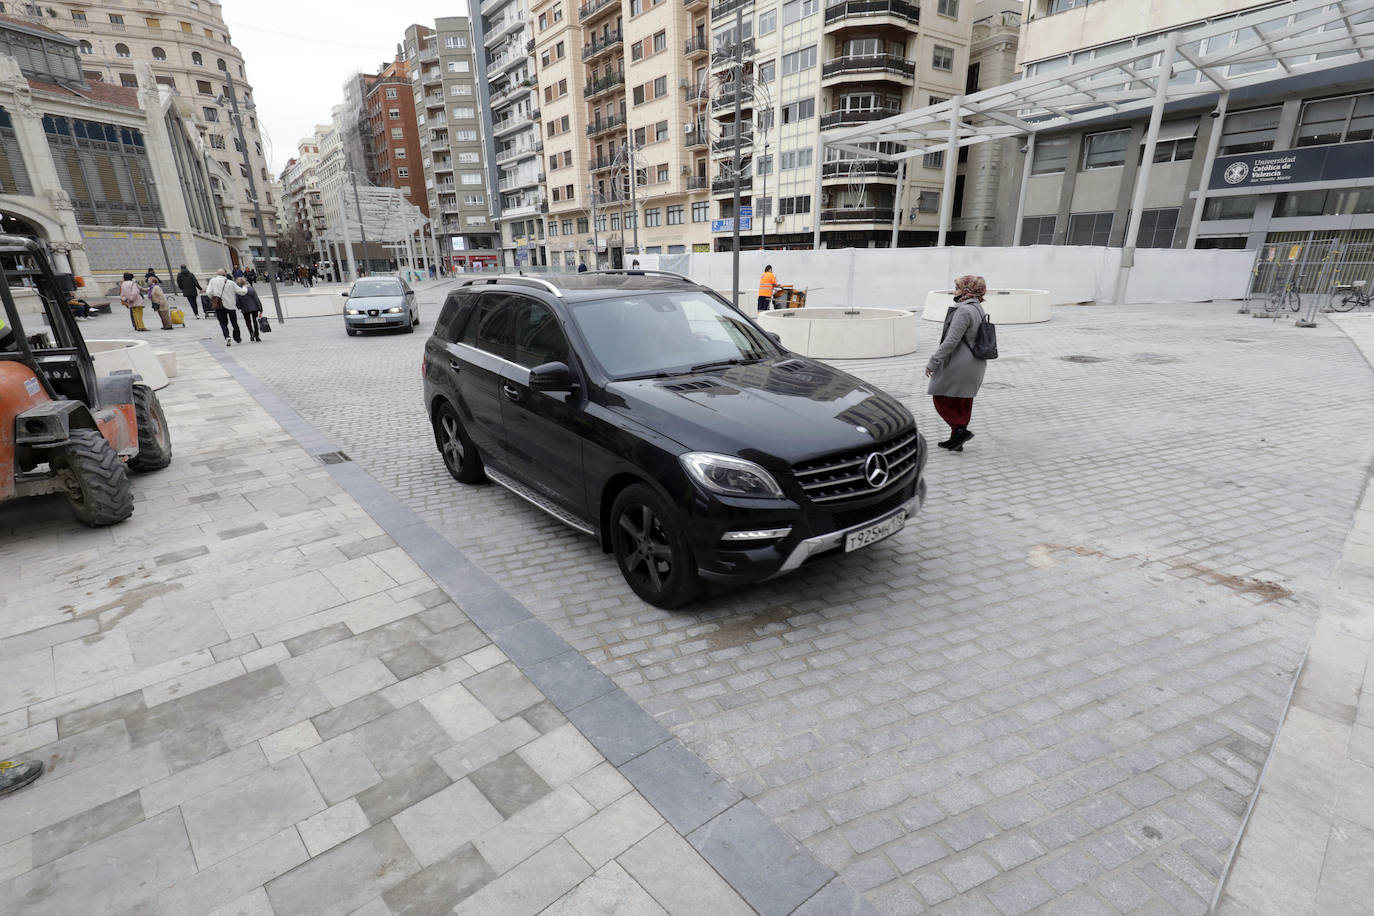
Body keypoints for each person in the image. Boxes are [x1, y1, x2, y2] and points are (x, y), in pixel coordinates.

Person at [924, 274, 991, 452]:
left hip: (960, 363)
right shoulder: (978, 308)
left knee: (940, 396)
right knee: (963, 401)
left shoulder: (963, 311)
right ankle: (957, 439)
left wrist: (933, 362)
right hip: (975, 362)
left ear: (966, 290)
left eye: (958, 288)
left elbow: (951, 341)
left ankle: (960, 431)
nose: (955, 291)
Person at [206, 269, 243, 346]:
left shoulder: (213, 281)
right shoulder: (230, 282)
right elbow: (241, 292)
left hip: (219, 304)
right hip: (230, 305)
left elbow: (209, 292)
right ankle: (237, 338)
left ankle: (227, 336)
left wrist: (214, 297)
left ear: (217, 274)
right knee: (234, 322)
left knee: (223, 322)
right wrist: (245, 288)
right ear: (225, 274)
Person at [235, 276, 264, 342]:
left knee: (248, 321)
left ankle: (251, 333)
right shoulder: (251, 289)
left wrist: (239, 307)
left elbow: (237, 301)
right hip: (254, 308)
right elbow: (257, 299)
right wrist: (260, 308)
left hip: (245, 308)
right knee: (255, 321)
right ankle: (257, 335)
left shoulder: (239, 291)